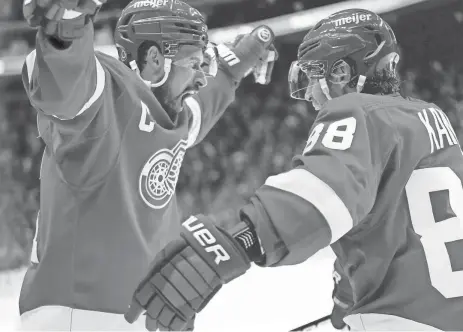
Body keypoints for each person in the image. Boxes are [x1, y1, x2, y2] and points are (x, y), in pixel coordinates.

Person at [124, 8, 463, 331]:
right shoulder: (431, 119)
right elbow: (396, 220)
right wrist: (350, 290)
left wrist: (236, 244)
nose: (311, 96)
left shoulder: (357, 112)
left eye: (312, 76)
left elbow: (321, 196)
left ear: (341, 74)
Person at [18, 0, 277, 330]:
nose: (200, 78)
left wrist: (234, 66)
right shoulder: (105, 95)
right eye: (195, 64)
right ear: (156, 59)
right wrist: (66, 27)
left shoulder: (174, 117)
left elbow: (203, 105)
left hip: (143, 315)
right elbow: (61, 86)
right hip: (78, 314)